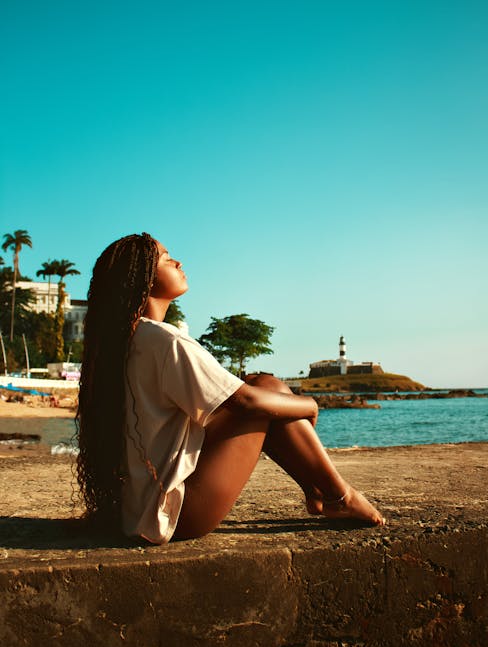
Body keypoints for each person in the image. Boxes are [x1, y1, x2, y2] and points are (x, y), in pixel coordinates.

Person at [77, 233, 384, 544]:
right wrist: (311, 405)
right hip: (172, 514)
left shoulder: (131, 340)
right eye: (166, 258)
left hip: (138, 509)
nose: (178, 262)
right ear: (142, 277)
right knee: (264, 393)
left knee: (266, 388)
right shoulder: (165, 341)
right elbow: (245, 402)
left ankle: (320, 492)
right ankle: (338, 494)